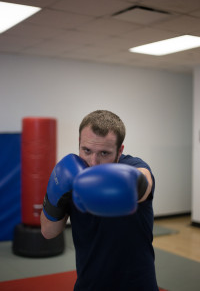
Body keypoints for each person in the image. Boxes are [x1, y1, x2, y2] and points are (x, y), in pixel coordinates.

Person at [40, 110, 158, 291]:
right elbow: (48, 232)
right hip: (88, 285)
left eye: (104, 153)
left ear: (120, 151)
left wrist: (123, 185)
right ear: (79, 144)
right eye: (86, 150)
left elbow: (144, 181)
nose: (93, 162)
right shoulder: (72, 174)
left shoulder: (134, 167)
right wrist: (57, 195)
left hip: (136, 285)